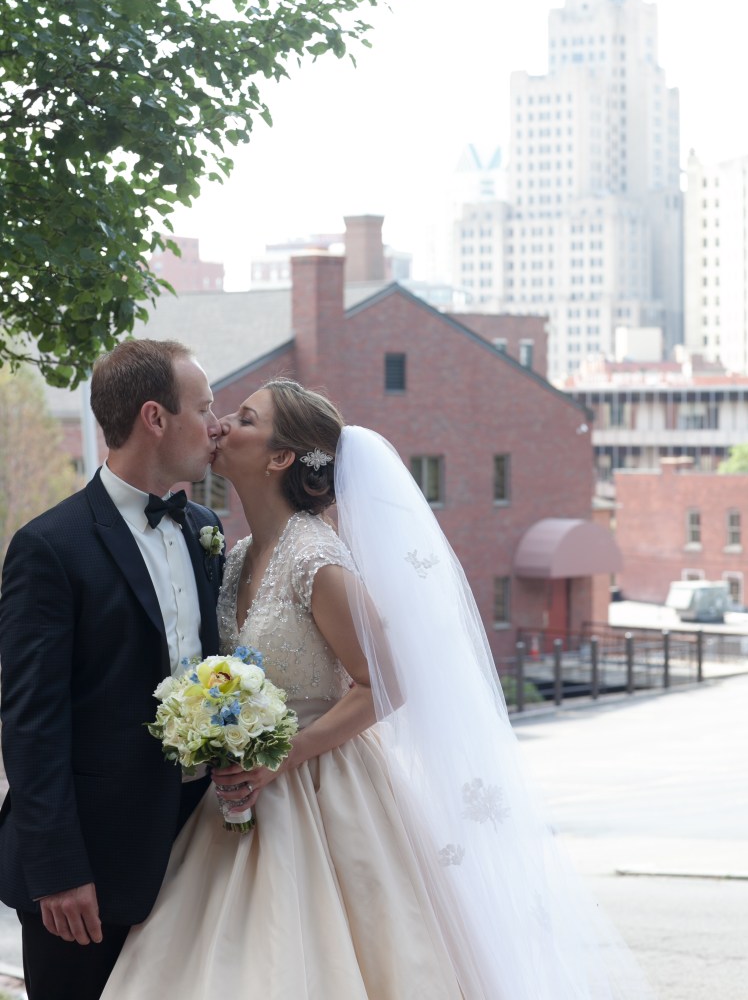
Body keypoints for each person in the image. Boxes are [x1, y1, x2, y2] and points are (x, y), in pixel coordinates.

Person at [102, 378, 652, 999]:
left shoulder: (317, 559)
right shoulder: (236, 556)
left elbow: (384, 685)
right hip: (242, 796)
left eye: (245, 418)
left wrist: (285, 755)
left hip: (324, 787)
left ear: (281, 457)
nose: (223, 424)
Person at [0, 339, 225, 1000]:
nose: (217, 424)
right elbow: (30, 723)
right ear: (155, 418)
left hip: (197, 859)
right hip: (86, 878)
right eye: (205, 407)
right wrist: (59, 870)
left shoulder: (204, 529)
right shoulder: (48, 547)